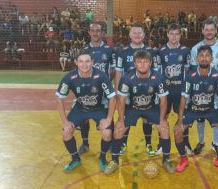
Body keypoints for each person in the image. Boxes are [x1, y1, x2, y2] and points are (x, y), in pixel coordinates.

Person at [108, 50, 175, 174]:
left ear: (150, 63)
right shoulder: (127, 77)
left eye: (145, 62)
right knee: (118, 128)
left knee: (164, 127)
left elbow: (163, 101)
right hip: (133, 108)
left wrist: (161, 120)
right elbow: (121, 101)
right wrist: (121, 120)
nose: (142, 65)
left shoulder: (158, 77)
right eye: (139, 62)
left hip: (151, 107)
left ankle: (166, 160)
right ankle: (114, 161)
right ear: (135, 63)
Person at [55, 51, 116, 173]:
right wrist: (65, 121)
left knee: (107, 132)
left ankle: (102, 158)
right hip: (80, 108)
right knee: (66, 132)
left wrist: (108, 119)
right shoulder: (69, 77)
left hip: (99, 108)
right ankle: (75, 159)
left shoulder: (101, 76)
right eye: (81, 61)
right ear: (76, 62)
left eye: (87, 61)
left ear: (92, 62)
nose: (84, 64)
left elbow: (112, 97)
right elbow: (59, 98)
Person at [174, 45, 218, 173]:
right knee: (177, 130)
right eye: (201, 55)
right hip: (193, 109)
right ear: (196, 58)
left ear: (211, 59)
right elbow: (183, 98)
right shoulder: (190, 75)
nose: (204, 58)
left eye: (207, 56)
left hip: (210, 110)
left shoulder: (217, 76)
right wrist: (179, 119)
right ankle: (183, 159)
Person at [115, 23, 159, 156]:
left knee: (148, 119)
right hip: (128, 93)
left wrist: (156, 93)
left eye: (139, 33)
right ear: (129, 35)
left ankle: (148, 144)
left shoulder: (151, 52)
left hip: (148, 92)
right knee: (126, 118)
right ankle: (123, 143)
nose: (137, 35)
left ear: (144, 35)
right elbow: (118, 73)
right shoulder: (122, 52)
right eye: (134, 33)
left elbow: (156, 73)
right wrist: (118, 93)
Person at [76, 23, 117, 155]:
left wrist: (105, 82)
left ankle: (110, 143)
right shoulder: (84, 50)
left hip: (103, 91)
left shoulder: (109, 49)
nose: (95, 33)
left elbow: (114, 69)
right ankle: (85, 143)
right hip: (86, 89)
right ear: (89, 32)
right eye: (92, 31)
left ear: (102, 33)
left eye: (98, 31)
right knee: (84, 116)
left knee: (107, 115)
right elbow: (79, 69)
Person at [190, 19, 218, 155]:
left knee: (217, 115)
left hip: (216, 88)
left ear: (215, 30)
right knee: (200, 116)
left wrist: (217, 83)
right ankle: (201, 142)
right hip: (200, 89)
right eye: (206, 29)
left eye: (212, 29)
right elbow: (193, 71)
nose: (209, 32)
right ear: (202, 31)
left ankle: (215, 143)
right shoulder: (195, 49)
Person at [155, 23, 192, 155]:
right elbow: (157, 72)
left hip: (180, 91)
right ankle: (161, 143)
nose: (174, 36)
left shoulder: (186, 51)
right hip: (165, 91)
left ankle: (186, 143)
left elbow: (187, 71)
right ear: (167, 35)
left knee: (183, 116)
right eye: (171, 34)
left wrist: (187, 90)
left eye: (177, 34)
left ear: (180, 35)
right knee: (162, 116)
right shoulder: (161, 51)